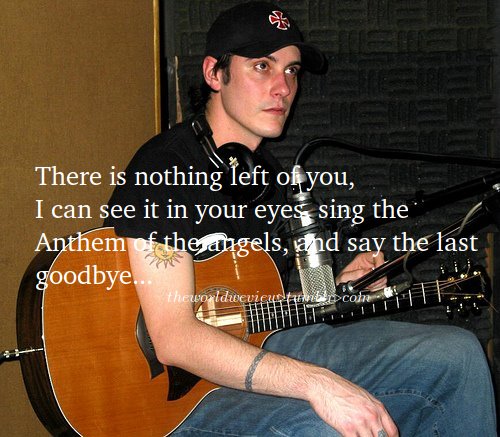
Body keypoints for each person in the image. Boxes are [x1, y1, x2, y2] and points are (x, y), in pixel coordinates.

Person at [106, 2, 496, 435]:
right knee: (323, 425)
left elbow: (260, 306)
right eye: (262, 66)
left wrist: (341, 288)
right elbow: (174, 337)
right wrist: (316, 383)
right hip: (174, 392)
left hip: (260, 345)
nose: (283, 88)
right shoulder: (164, 168)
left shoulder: (270, 179)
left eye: (291, 71)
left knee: (457, 355)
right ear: (215, 73)